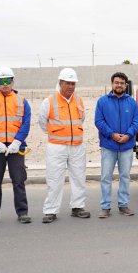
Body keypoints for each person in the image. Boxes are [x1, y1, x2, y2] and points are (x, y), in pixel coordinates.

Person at [0, 66, 32, 227]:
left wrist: (17, 142)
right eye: (2, 81)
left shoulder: (22, 101)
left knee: (19, 180)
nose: (5, 84)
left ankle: (22, 213)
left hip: (16, 147)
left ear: (12, 81)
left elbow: (26, 123)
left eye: (8, 80)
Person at [38, 68, 90, 223]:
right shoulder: (49, 101)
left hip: (77, 146)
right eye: (68, 83)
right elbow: (42, 122)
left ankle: (78, 207)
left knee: (79, 177)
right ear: (60, 83)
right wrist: (57, 134)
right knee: (54, 179)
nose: (71, 86)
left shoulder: (79, 101)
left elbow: (81, 120)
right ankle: (50, 211)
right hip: (57, 146)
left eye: (73, 83)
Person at [95, 72, 138, 218]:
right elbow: (99, 121)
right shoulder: (102, 101)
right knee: (106, 177)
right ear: (112, 84)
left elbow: (137, 121)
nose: (119, 85)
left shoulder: (132, 103)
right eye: (116, 82)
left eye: (122, 83)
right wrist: (112, 134)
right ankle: (105, 207)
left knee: (125, 176)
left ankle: (123, 205)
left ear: (126, 85)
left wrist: (128, 135)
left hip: (126, 147)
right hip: (108, 146)